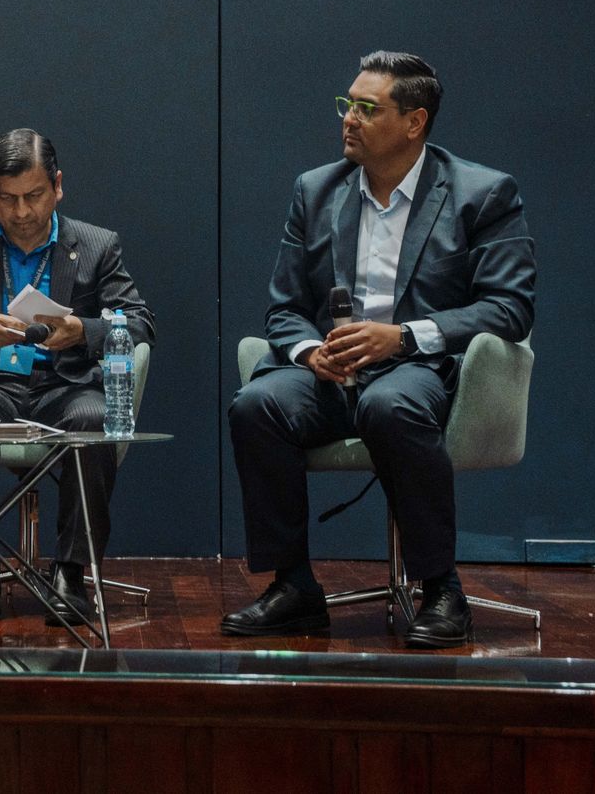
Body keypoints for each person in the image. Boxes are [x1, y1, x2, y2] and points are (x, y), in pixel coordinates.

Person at [223, 51, 535, 648]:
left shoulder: (481, 193)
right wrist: (311, 351)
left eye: (367, 109)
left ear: (414, 123)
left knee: (388, 406)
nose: (349, 119)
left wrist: (405, 335)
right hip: (331, 371)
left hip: (420, 366)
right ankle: (293, 588)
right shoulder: (316, 191)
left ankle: (442, 590)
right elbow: (284, 308)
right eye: (348, 104)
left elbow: (510, 307)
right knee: (255, 406)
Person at [0, 128, 155, 627]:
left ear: (58, 186)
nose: (22, 212)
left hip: (64, 386)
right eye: (7, 199)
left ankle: (70, 571)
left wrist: (82, 332)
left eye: (34, 196)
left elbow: (140, 321)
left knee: (94, 419)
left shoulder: (96, 244)